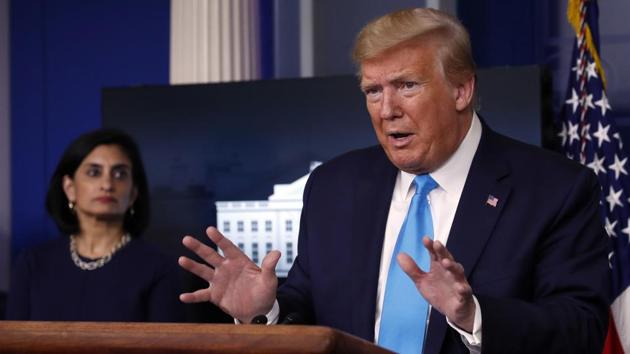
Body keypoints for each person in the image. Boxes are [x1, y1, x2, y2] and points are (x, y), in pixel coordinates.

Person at [178, 8, 609, 354]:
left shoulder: (555, 189)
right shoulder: (334, 186)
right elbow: (309, 306)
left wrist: (474, 314)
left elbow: (581, 329)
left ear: (461, 90)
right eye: (373, 91)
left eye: (407, 85)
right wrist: (265, 311)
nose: (387, 110)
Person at [6, 129, 184, 322]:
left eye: (120, 173)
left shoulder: (159, 268)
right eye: (94, 172)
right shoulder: (33, 263)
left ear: (133, 193)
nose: (107, 184)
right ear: (70, 188)